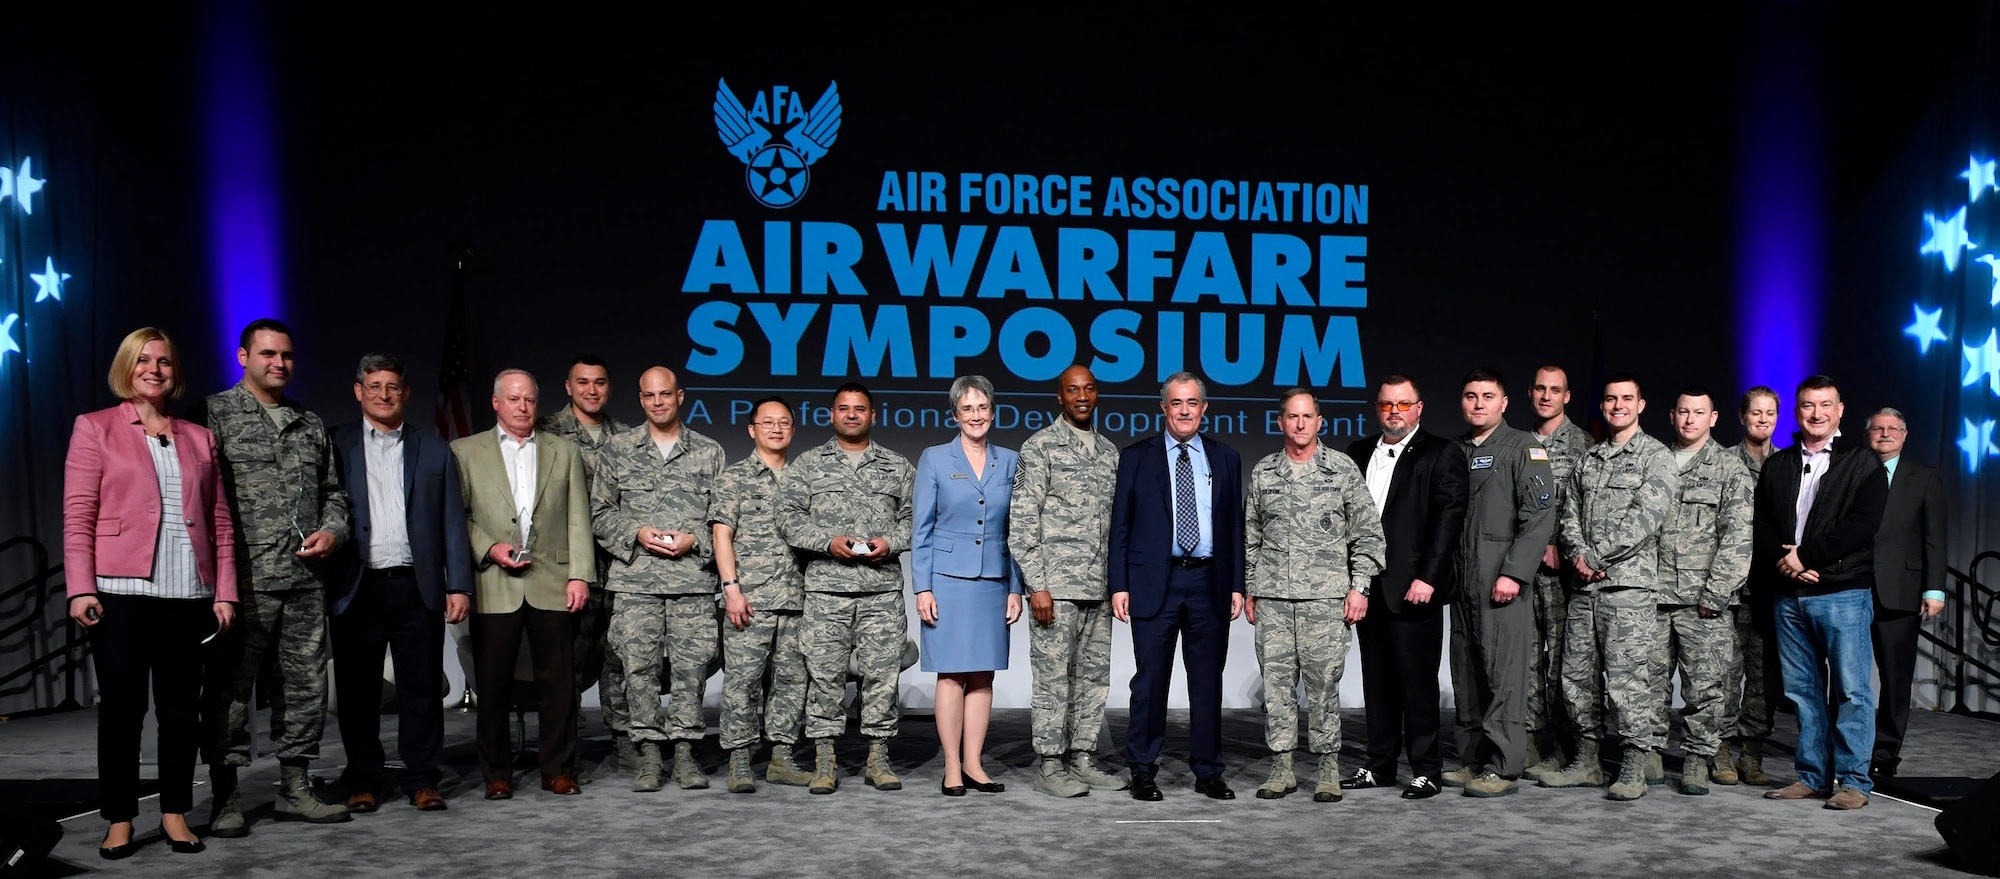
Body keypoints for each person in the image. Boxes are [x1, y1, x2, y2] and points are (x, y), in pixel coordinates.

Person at [63, 327, 237, 858]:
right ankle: (118, 817)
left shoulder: (199, 437)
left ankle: (174, 813)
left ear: (173, 371)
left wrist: (224, 591)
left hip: (187, 592)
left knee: (181, 711)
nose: (153, 369)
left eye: (163, 361)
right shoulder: (94, 428)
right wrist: (80, 588)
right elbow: (78, 516)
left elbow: (221, 521)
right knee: (121, 708)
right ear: (126, 367)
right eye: (142, 360)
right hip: (118, 591)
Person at [191, 318, 351, 834]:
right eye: (266, 354)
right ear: (243, 357)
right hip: (243, 583)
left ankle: (295, 788)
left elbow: (335, 493)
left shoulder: (310, 423)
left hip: (305, 581)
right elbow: (196, 497)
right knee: (230, 691)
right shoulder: (212, 415)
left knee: (304, 689)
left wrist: (332, 532)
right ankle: (226, 796)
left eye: (286, 355)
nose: (278, 364)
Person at [329, 353, 473, 813]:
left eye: (393, 387)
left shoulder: (434, 450)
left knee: (421, 687)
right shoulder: (337, 445)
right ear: (359, 391)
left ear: (405, 393)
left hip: (417, 585)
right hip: (359, 585)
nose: (384, 395)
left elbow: (453, 521)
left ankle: (421, 777)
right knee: (358, 691)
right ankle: (363, 779)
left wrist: (459, 585)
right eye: (375, 386)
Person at [452, 368, 595, 799]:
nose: (523, 407)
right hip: (493, 583)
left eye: (530, 400)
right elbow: (458, 517)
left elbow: (577, 516)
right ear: (497, 402)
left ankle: (559, 769)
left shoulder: (563, 450)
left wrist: (580, 575)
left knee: (559, 686)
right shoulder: (464, 450)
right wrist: (489, 547)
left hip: (552, 581)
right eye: (513, 399)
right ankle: (497, 774)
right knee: (492, 686)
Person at [1109, 371, 1247, 802]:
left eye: (1192, 403)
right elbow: (1121, 527)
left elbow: (1234, 529)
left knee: (1207, 682)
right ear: (1163, 408)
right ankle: (1143, 769)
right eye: (1176, 403)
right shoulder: (1136, 457)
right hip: (1154, 582)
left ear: (1204, 409)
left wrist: (1238, 584)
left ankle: (1208, 771)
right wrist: (1119, 584)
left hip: (1209, 581)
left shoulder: (1225, 458)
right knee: (1150, 682)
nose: (1184, 411)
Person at [1753, 375, 1887, 811]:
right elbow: (1763, 524)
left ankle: (1854, 783)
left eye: (1825, 405)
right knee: (1802, 692)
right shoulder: (1778, 464)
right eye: (1808, 405)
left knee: (1852, 691)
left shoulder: (1864, 462)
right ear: (1797, 411)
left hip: (1843, 592)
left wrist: (1806, 557)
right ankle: (1811, 776)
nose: (1817, 413)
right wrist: (1785, 560)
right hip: (1789, 595)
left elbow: (1861, 526)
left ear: (1840, 410)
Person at [1244, 389, 1384, 802]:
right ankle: (1281, 768)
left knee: (1324, 687)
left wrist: (1360, 588)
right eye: (1292, 416)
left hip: (1325, 602)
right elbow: (1251, 537)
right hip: (1273, 600)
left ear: (1320, 421)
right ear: (1281, 422)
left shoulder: (1340, 470)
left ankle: (1327, 770)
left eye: (1307, 416)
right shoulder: (1264, 472)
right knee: (1277, 688)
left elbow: (1368, 537)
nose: (1300, 424)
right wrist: (1252, 589)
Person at [590, 366, 726, 792]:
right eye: (649, 396)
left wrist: (694, 539)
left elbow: (723, 520)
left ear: (680, 396)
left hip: (691, 583)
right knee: (639, 670)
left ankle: (685, 756)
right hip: (635, 584)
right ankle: (649, 756)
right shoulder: (617, 449)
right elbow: (599, 512)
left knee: (690, 672)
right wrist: (637, 533)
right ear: (641, 399)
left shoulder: (709, 451)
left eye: (665, 394)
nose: (657, 402)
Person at [1542, 373, 1676, 801]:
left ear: (1641, 405)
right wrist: (1578, 555)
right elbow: (1569, 514)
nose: (1617, 405)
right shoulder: (1591, 458)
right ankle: (1587, 762)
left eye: (1626, 399)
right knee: (1576, 678)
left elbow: (1644, 518)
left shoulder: (1656, 457)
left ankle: (1635, 763)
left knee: (1628, 682)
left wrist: (1594, 558)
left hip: (1627, 589)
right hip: (1585, 589)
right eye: (1610, 399)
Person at [778, 382, 916, 794]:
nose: (852, 415)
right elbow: (787, 517)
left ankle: (878, 758)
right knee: (824, 678)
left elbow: (915, 521)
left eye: (860, 409)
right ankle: (825, 760)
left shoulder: (897, 466)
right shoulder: (807, 464)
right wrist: (826, 541)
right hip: (825, 592)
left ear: (873, 415)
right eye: (844, 408)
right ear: (832, 414)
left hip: (881, 592)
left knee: (882, 679)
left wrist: (891, 542)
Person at [1343, 375, 1468, 800]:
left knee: (1417, 683)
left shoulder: (1441, 453)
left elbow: (1447, 522)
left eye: (1402, 404)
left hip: (1415, 588)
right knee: (1376, 683)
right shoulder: (1358, 452)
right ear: (1377, 408)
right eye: (1386, 405)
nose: (1393, 411)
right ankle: (1379, 765)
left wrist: (1428, 578)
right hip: (1368, 588)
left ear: (1419, 408)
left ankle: (1426, 770)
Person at [1011, 365, 1126, 798]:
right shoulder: (1039, 447)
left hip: (1099, 587)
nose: (1082, 396)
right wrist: (1036, 585)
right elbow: (1022, 522)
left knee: (1093, 678)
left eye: (1089, 388)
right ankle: (1050, 763)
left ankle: (1082, 757)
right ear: (1059, 397)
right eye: (1072, 390)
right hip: (1055, 588)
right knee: (1053, 679)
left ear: (1097, 394)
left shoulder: (1110, 452)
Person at [1444, 367, 1555, 798]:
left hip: (1500, 579)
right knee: (1466, 672)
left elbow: (1539, 515)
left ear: (1504, 403)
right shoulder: (1456, 450)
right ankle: (1473, 759)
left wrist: (1514, 571)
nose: (1478, 403)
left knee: (1503, 673)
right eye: (1471, 395)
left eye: (1487, 396)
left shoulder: (1524, 447)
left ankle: (1504, 764)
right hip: (1461, 582)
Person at [912, 375, 1025, 796]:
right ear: (955, 414)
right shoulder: (935, 458)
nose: (975, 416)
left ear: (992, 412)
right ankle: (952, 767)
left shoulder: (1011, 461)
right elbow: (920, 528)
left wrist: (1016, 587)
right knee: (951, 674)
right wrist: (922, 587)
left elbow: (1018, 529)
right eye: (967, 409)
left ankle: (976, 764)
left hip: (994, 582)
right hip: (946, 580)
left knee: (983, 676)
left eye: (982, 408)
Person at [1651, 386, 1753, 795]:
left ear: (1713, 419)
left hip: (1703, 602)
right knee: (1648, 683)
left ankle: (1697, 757)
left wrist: (1715, 595)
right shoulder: (1652, 462)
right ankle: (1650, 752)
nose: (1690, 419)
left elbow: (1738, 537)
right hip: (1653, 596)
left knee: (1707, 687)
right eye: (1683, 411)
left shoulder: (1729, 469)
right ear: (1672, 415)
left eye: (1699, 412)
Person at [536, 355, 635, 778]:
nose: (591, 390)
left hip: (619, 565)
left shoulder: (629, 437)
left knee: (619, 658)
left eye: (599, 383)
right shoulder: (546, 432)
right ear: (568, 386)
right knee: (568, 659)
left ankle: (624, 740)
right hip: (568, 564)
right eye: (582, 383)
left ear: (609, 387)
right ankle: (566, 746)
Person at [709, 396, 813, 791]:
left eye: (784, 422)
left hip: (797, 599)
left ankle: (781, 759)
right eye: (767, 422)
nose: (776, 428)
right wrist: (731, 590)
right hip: (748, 600)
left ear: (792, 429)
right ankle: (739, 761)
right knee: (742, 682)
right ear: (752, 429)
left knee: (791, 682)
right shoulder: (733, 479)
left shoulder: (805, 479)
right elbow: (722, 535)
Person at [1864, 407, 1946, 780]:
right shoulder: (1853, 471)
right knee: (1848, 678)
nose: (1885, 433)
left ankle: (1884, 752)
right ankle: (1846, 746)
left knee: (1896, 678)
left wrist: (1934, 588)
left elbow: (1934, 538)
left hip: (1901, 591)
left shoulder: (1924, 477)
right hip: (1852, 587)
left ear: (1905, 434)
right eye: (1878, 428)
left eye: (1892, 428)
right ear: (1868, 434)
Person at [1523, 365, 1594, 780]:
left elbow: (1584, 508)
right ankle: (1533, 743)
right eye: (1541, 389)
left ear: (1567, 396)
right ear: (1530, 393)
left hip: (1561, 574)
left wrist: (1560, 548)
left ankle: (1567, 747)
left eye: (1556, 390)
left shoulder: (1583, 443)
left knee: (1563, 666)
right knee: (1526, 662)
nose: (1547, 396)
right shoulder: (1516, 442)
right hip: (1520, 570)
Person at [1724, 385, 1781, 783]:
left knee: (1762, 676)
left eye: (1770, 414)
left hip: (1770, 587)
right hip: (1728, 586)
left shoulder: (1791, 464)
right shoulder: (1723, 462)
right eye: (1755, 413)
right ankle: (1722, 752)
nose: (1762, 420)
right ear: (1742, 417)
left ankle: (1752, 754)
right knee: (1725, 673)